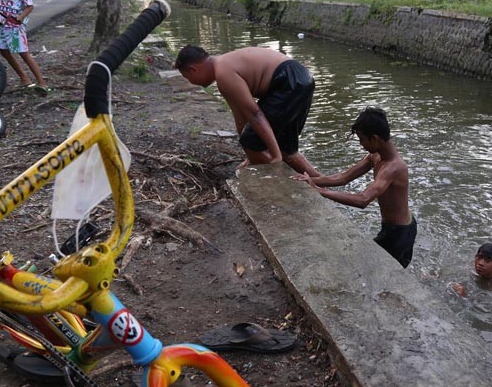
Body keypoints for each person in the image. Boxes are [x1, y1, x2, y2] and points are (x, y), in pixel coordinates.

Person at [291, 107, 416, 268]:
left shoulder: (394, 167)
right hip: (398, 227)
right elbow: (343, 177)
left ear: (375, 138)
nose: (361, 144)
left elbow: (363, 200)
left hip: (398, 233)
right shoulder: (375, 156)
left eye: (362, 139)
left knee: (369, 269)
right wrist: (310, 180)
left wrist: (320, 191)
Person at [174, 45, 319, 176]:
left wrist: (274, 156)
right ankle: (321, 184)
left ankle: (280, 181)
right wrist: (250, 155)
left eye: (188, 78)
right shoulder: (224, 67)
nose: (191, 82)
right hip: (302, 79)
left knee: (253, 142)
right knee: (287, 149)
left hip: (287, 82)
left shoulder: (223, 72)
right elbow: (241, 117)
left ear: (194, 69)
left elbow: (255, 114)